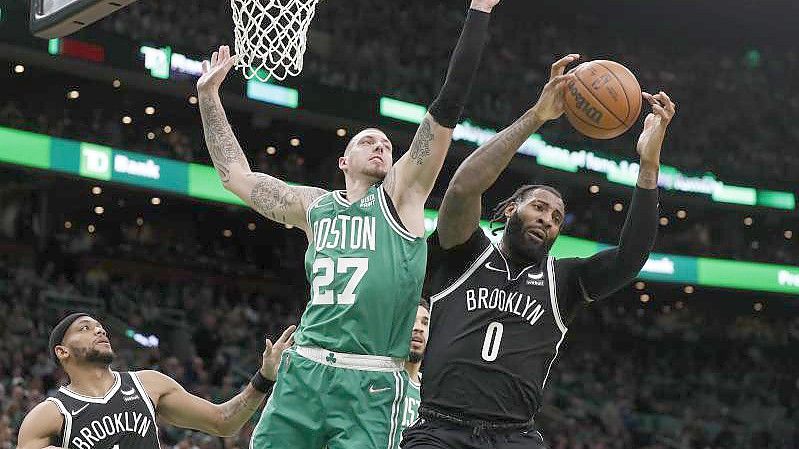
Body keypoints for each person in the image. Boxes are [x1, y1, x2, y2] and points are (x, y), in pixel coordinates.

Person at [195, 0, 499, 447]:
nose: (380, 146)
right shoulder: (315, 208)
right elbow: (236, 177)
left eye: (386, 145)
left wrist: (478, 13)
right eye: (367, 141)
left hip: (372, 381)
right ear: (344, 161)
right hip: (304, 370)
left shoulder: (402, 196)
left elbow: (445, 110)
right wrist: (208, 99)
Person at [403, 54, 676, 448]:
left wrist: (648, 164)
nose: (548, 219)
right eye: (539, 207)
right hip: (441, 428)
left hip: (516, 436)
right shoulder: (464, 251)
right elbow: (463, 189)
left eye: (557, 217)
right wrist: (537, 115)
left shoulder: (564, 280)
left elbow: (631, 258)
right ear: (512, 209)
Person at [16, 313, 296, 449]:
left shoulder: (148, 384)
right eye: (85, 328)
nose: (99, 330)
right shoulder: (46, 416)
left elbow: (222, 421)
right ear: (62, 352)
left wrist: (264, 377)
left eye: (100, 327)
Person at [395, 299, 430, 449]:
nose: (418, 328)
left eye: (425, 322)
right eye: (411, 321)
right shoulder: (381, 379)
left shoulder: (433, 392)